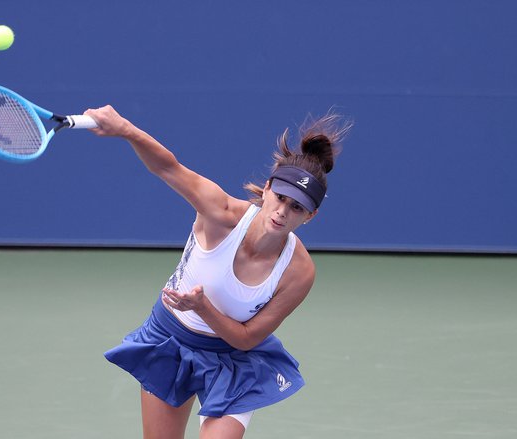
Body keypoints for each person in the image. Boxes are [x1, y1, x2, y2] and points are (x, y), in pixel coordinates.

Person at [84, 105, 350, 439]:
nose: (282, 212)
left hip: (234, 360)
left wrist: (203, 307)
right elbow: (168, 167)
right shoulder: (220, 213)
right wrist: (124, 128)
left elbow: (247, 337)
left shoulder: (299, 271)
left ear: (309, 216)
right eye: (280, 198)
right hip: (171, 340)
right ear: (267, 188)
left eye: (296, 207)